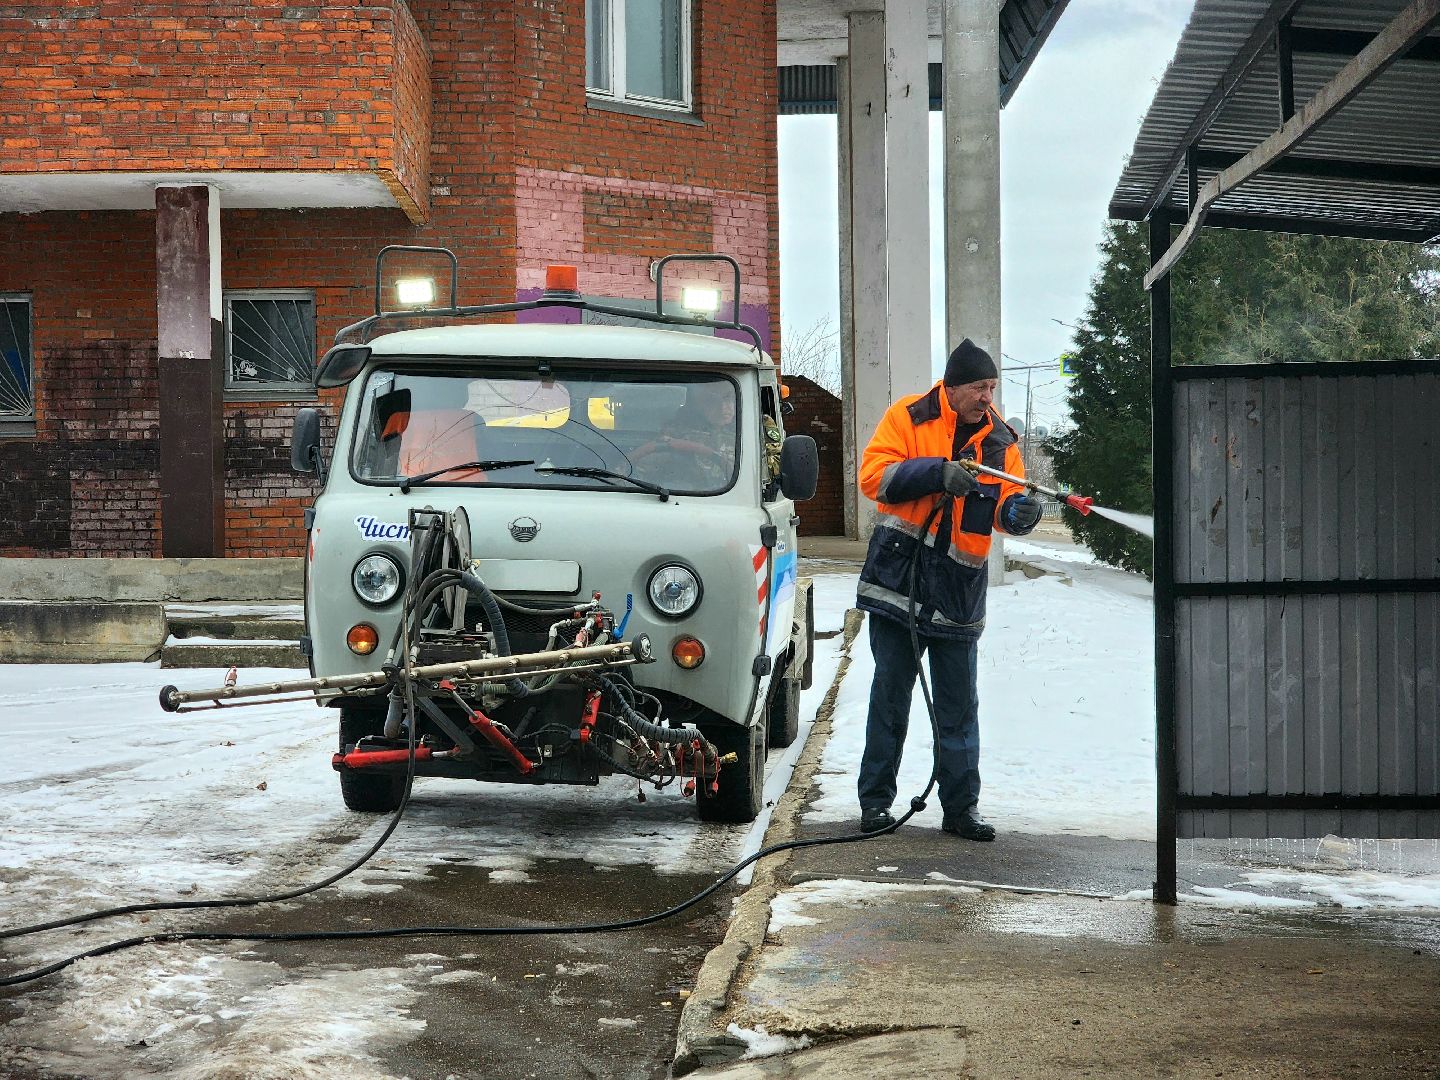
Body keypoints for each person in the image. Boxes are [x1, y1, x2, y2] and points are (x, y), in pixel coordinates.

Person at [855, 338, 1042, 842]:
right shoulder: (909, 418)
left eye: (992, 388)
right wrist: (936, 473)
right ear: (953, 387)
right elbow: (873, 477)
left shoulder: (1001, 441)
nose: (988, 397)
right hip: (900, 583)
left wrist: (1016, 514)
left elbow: (1006, 500)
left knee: (959, 705)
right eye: (980, 387)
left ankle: (961, 809)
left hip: (958, 591)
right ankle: (875, 803)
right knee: (890, 695)